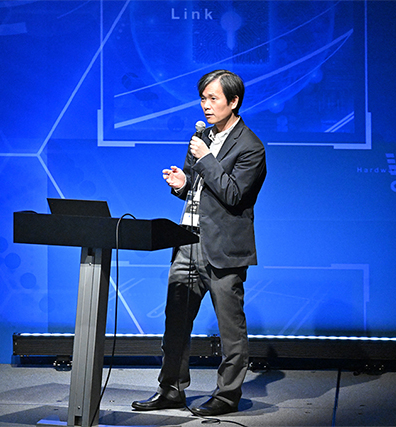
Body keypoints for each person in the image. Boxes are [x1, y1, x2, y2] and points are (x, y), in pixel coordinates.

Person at [131, 70, 267, 417]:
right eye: (203, 98)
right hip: (186, 241)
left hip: (223, 249)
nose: (206, 105)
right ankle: (171, 389)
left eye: (213, 98)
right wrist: (181, 184)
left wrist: (205, 158)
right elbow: (199, 189)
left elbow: (233, 195)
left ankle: (227, 396)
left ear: (233, 102)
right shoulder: (201, 137)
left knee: (230, 329)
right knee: (175, 323)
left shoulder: (250, 146)